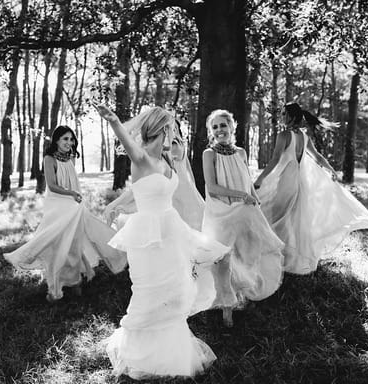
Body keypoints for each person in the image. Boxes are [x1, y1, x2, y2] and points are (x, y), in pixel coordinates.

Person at [97, 105, 242, 380]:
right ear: (161, 130)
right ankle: (144, 356)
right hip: (147, 236)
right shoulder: (140, 158)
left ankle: (172, 352)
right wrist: (114, 120)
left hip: (172, 229)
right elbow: (129, 149)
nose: (173, 135)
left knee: (178, 289)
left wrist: (119, 200)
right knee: (151, 293)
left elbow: (143, 188)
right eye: (170, 129)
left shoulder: (166, 161)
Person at [254, 102, 368, 275]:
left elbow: (274, 160)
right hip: (299, 182)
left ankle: (276, 256)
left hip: (286, 182)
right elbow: (317, 157)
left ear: (290, 116)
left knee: (275, 215)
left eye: (283, 113)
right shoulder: (303, 137)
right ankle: (290, 256)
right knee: (293, 220)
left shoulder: (283, 135)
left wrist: (259, 179)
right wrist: (330, 169)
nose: (281, 116)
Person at [3, 125, 127, 302]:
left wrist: (75, 197)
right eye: (65, 139)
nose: (69, 142)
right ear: (56, 141)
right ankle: (56, 279)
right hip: (58, 205)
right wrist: (71, 194)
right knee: (58, 242)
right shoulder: (49, 159)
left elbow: (72, 181)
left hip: (74, 205)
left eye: (71, 139)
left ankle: (75, 280)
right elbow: (52, 185)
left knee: (74, 242)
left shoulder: (70, 158)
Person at [202, 109, 285, 327]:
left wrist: (254, 200)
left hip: (245, 210)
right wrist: (242, 196)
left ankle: (244, 294)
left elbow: (247, 182)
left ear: (232, 127)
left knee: (247, 251)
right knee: (223, 260)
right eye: (215, 127)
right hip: (221, 212)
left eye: (223, 125)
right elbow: (212, 188)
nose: (220, 130)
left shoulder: (240, 152)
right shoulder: (209, 154)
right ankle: (226, 309)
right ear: (211, 131)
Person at [104, 119, 204, 231]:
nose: (169, 133)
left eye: (173, 129)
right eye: (166, 129)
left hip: (176, 197)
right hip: (183, 193)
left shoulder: (172, 148)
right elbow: (188, 172)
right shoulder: (177, 147)